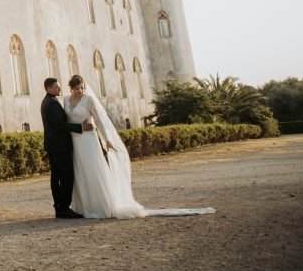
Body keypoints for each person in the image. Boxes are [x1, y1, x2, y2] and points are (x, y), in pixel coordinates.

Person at [64, 74, 215, 219]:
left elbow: (99, 121)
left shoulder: (88, 99)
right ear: (71, 88)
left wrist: (107, 139)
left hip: (88, 140)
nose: (80, 90)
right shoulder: (65, 100)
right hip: (74, 140)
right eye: (77, 88)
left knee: (92, 170)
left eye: (82, 87)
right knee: (79, 171)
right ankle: (83, 207)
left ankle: (99, 207)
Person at [41, 76, 93, 219]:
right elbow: (60, 125)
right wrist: (80, 127)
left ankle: (59, 208)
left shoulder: (47, 101)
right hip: (60, 146)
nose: (59, 88)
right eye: (56, 87)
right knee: (66, 176)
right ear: (49, 88)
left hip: (52, 146)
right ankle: (64, 208)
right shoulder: (52, 103)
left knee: (56, 177)